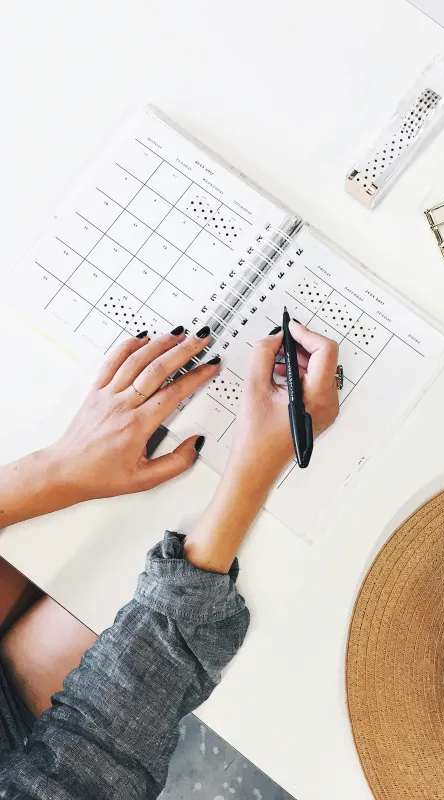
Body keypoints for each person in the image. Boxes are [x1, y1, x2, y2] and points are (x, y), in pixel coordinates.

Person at [0, 321, 340, 799]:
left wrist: (59, 469)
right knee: (130, 575)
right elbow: (95, 756)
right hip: (26, 748)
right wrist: (253, 469)